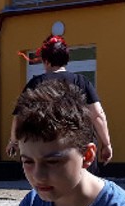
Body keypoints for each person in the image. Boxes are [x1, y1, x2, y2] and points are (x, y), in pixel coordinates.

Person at [8, 35, 113, 165]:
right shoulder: (81, 81)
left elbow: (19, 117)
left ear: (46, 61)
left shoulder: (35, 83)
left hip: (45, 151)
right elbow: (98, 115)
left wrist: (13, 142)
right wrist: (106, 144)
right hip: (79, 151)